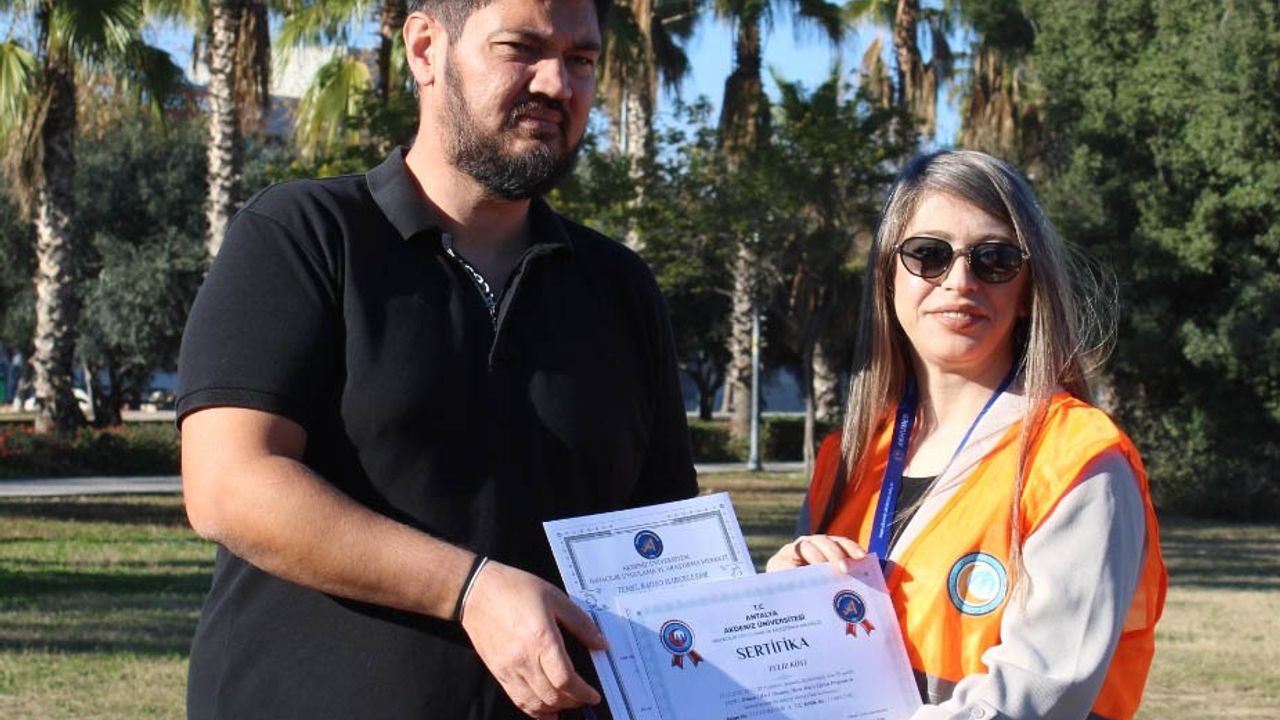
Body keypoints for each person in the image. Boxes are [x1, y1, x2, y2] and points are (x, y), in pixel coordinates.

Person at [175, 1, 696, 718]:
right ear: (425, 49)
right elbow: (230, 482)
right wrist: (470, 589)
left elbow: (667, 542)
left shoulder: (620, 286)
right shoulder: (304, 235)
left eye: (580, 60)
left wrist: (793, 594)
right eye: (521, 48)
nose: (557, 84)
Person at [766, 150, 1167, 720]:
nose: (959, 281)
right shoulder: (847, 458)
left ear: (1028, 290)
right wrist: (783, 599)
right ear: (887, 278)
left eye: (995, 260)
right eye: (927, 255)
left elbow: (1038, 697)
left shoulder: (1078, 460)